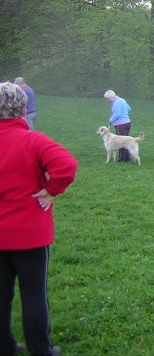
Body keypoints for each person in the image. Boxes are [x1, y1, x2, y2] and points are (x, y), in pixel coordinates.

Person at [0, 81, 78, 356]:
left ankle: (4, 346)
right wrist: (51, 189)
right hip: (29, 235)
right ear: (22, 108)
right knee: (33, 295)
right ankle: (40, 349)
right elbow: (67, 166)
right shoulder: (33, 139)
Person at [103, 90, 132, 162]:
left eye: (107, 99)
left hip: (121, 125)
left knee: (120, 142)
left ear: (110, 97)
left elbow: (117, 114)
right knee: (126, 141)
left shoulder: (116, 103)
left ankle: (122, 159)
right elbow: (129, 108)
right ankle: (126, 158)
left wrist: (111, 119)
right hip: (127, 123)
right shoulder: (122, 100)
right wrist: (124, 114)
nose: (107, 100)